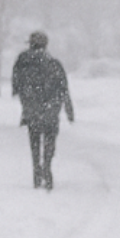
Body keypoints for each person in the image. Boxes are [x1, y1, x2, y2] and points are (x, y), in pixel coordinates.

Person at [11, 31, 74, 190]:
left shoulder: (22, 61)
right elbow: (63, 89)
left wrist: (26, 99)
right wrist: (69, 111)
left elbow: (16, 84)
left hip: (32, 111)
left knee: (34, 142)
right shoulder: (54, 63)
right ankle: (47, 165)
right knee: (49, 141)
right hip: (50, 111)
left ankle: (36, 171)